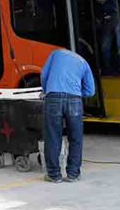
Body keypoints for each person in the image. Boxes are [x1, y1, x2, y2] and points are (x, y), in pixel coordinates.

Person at [41, 48, 96, 183]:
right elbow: (90, 91)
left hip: (53, 97)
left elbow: (44, 74)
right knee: (75, 138)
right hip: (74, 100)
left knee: (53, 136)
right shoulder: (84, 63)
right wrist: (76, 94)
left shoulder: (56, 53)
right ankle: (73, 174)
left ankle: (54, 175)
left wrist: (46, 90)